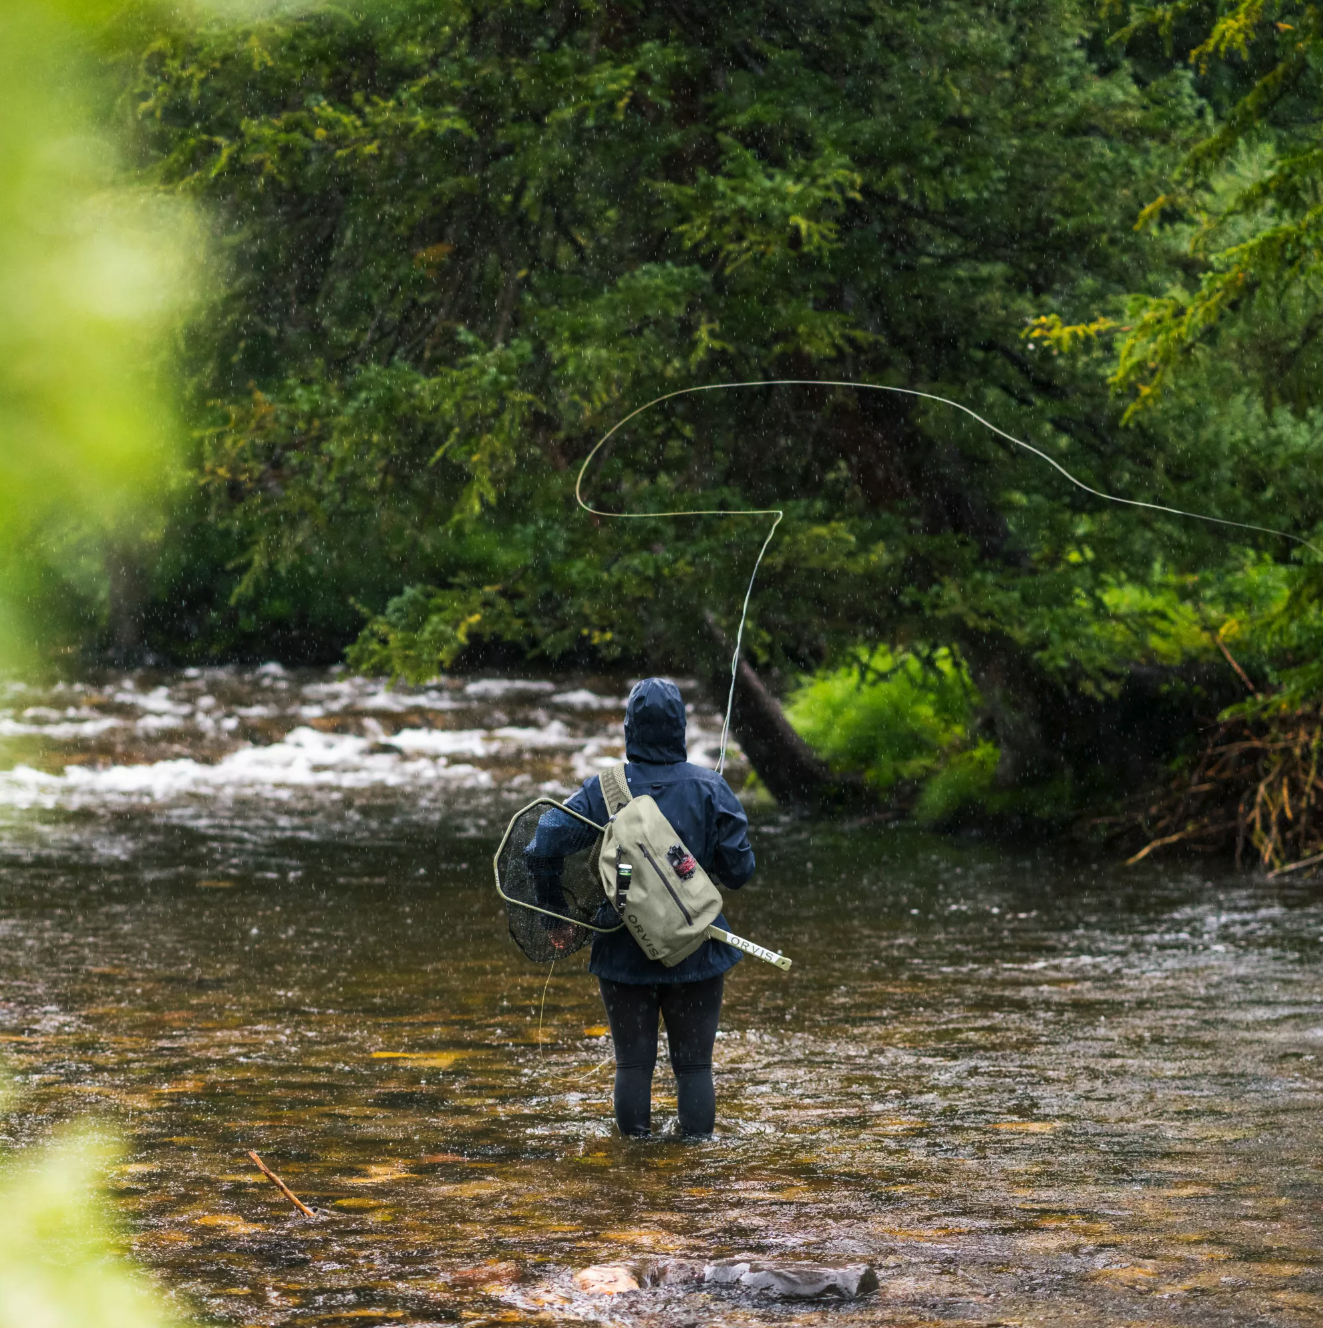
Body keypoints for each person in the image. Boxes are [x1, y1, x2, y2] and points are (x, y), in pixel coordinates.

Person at [527, 677, 755, 1138]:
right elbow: (740, 873)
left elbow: (542, 845)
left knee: (632, 1063)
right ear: (682, 729)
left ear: (629, 728)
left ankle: (633, 1162)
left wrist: (556, 909)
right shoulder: (712, 788)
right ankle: (694, 1169)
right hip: (697, 948)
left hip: (622, 950)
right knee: (694, 1067)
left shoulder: (602, 789)